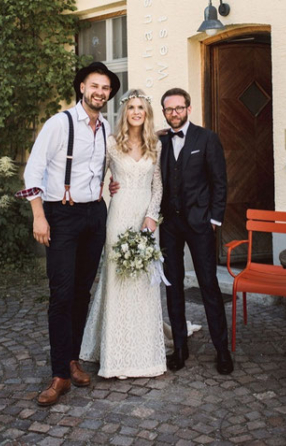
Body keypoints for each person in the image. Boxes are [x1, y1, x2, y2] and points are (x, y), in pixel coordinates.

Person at [110, 88, 234, 375]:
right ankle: (179, 347)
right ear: (164, 112)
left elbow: (220, 182)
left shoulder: (207, 138)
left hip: (200, 224)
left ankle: (222, 350)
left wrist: (215, 220)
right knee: (173, 286)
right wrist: (114, 185)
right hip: (169, 226)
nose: (174, 113)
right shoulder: (160, 141)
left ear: (188, 109)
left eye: (179, 108)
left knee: (208, 286)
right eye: (169, 109)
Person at [19, 62, 120, 406]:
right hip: (61, 213)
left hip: (94, 213)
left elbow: (105, 167)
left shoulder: (106, 126)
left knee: (82, 292)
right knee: (61, 294)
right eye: (95, 85)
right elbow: (32, 170)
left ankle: (73, 360)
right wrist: (39, 216)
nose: (100, 92)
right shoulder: (59, 123)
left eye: (105, 88)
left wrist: (114, 182)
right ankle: (60, 374)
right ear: (82, 87)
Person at [80, 89, 166, 379]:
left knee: (143, 283)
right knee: (117, 279)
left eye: (141, 107)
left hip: (145, 218)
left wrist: (152, 216)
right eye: (131, 107)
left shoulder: (155, 144)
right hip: (118, 217)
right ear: (125, 113)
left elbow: (159, 186)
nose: (136, 112)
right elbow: (96, 178)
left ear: (147, 112)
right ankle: (115, 356)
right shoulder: (111, 144)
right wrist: (106, 192)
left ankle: (145, 354)